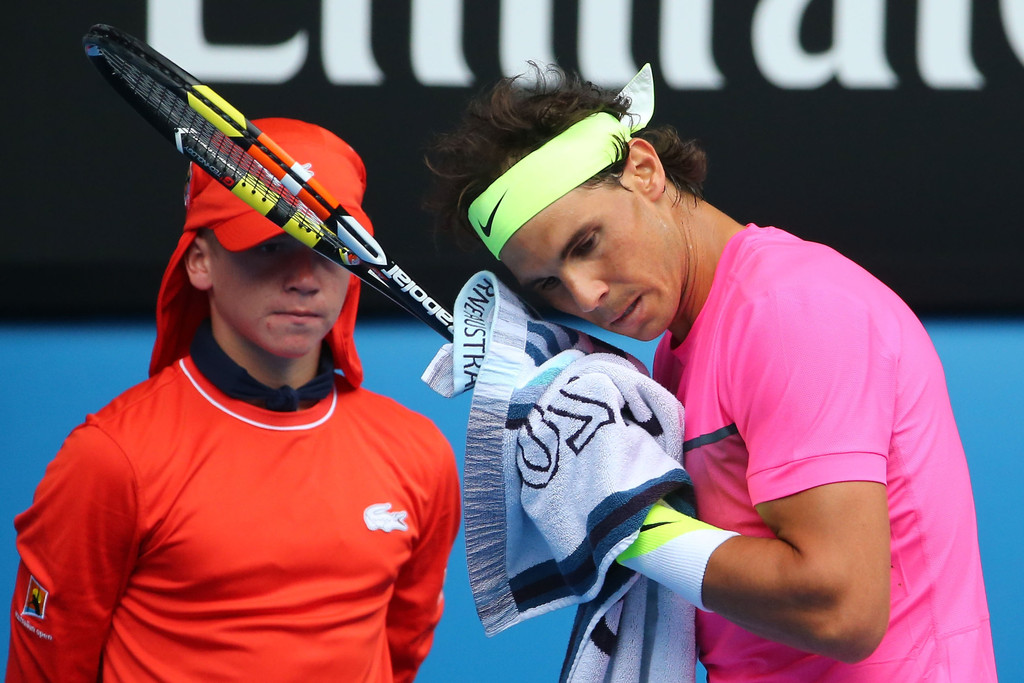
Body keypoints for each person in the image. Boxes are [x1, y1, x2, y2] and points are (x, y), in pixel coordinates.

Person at [423, 64, 996, 680]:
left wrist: (631, 522)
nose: (585, 296)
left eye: (586, 242)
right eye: (548, 285)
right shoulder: (684, 342)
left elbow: (842, 612)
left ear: (644, 170)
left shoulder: (791, 312)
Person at [7, 118, 461, 682]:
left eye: (329, 249)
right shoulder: (110, 460)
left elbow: (402, 650)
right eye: (271, 245)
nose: (304, 278)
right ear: (199, 261)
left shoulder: (419, 453)